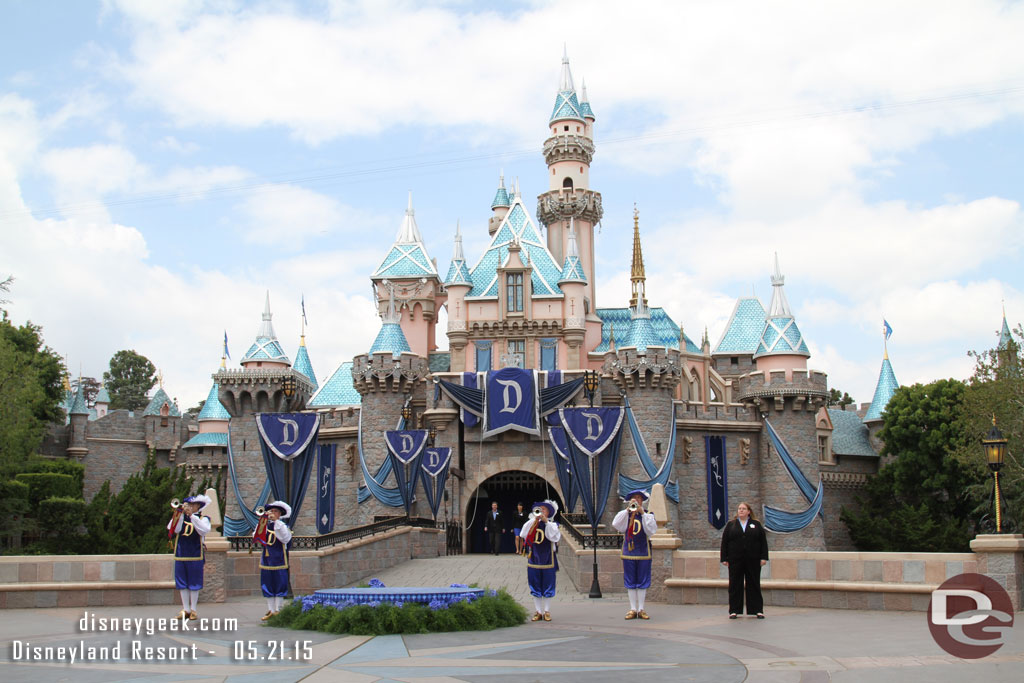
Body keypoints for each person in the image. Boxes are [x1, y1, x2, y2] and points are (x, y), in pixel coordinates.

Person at [612, 489, 657, 620]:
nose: (637, 500)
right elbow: (616, 524)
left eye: (639, 498)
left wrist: (642, 513)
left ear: (642, 501)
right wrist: (628, 510)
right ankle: (632, 608)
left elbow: (651, 530)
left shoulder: (648, 515)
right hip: (629, 552)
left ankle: (641, 608)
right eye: (634, 498)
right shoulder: (625, 515)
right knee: (630, 580)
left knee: (642, 580)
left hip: (643, 552)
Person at [719, 501, 769, 619]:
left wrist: (763, 557)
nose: (741, 510)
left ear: (748, 511)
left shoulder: (756, 525)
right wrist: (724, 558)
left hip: (753, 559)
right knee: (735, 584)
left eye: (743, 508)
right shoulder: (731, 525)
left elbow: (763, 542)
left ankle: (757, 610)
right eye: (739, 508)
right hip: (735, 559)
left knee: (754, 583)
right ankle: (734, 610)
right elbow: (725, 542)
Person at [168, 494, 211, 620]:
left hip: (195, 555)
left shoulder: (203, 518)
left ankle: (193, 609)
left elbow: (203, 530)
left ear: (198, 506)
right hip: (181, 554)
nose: (189, 507)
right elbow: (174, 529)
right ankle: (185, 609)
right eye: (188, 505)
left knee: (194, 582)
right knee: (182, 582)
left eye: (192, 505)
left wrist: (191, 516)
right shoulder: (181, 517)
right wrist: (179, 514)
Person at [520, 499, 561, 622]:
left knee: (548, 585)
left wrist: (546, 522)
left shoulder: (553, 525)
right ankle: (538, 611)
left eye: (544, 509)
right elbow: (523, 534)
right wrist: (535, 520)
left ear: (549, 512)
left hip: (548, 559)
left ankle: (546, 611)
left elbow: (553, 536)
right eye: (540, 509)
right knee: (535, 584)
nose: (541, 511)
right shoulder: (532, 523)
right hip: (534, 558)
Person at [255, 500, 293, 620]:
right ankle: (271, 610)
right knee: (267, 584)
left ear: (279, 514)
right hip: (267, 560)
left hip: (279, 560)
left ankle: (278, 609)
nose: (272, 513)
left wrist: (276, 523)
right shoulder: (264, 525)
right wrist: (263, 522)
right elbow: (256, 536)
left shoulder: (283, 526)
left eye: (275, 511)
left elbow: (285, 538)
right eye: (271, 511)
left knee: (280, 584)